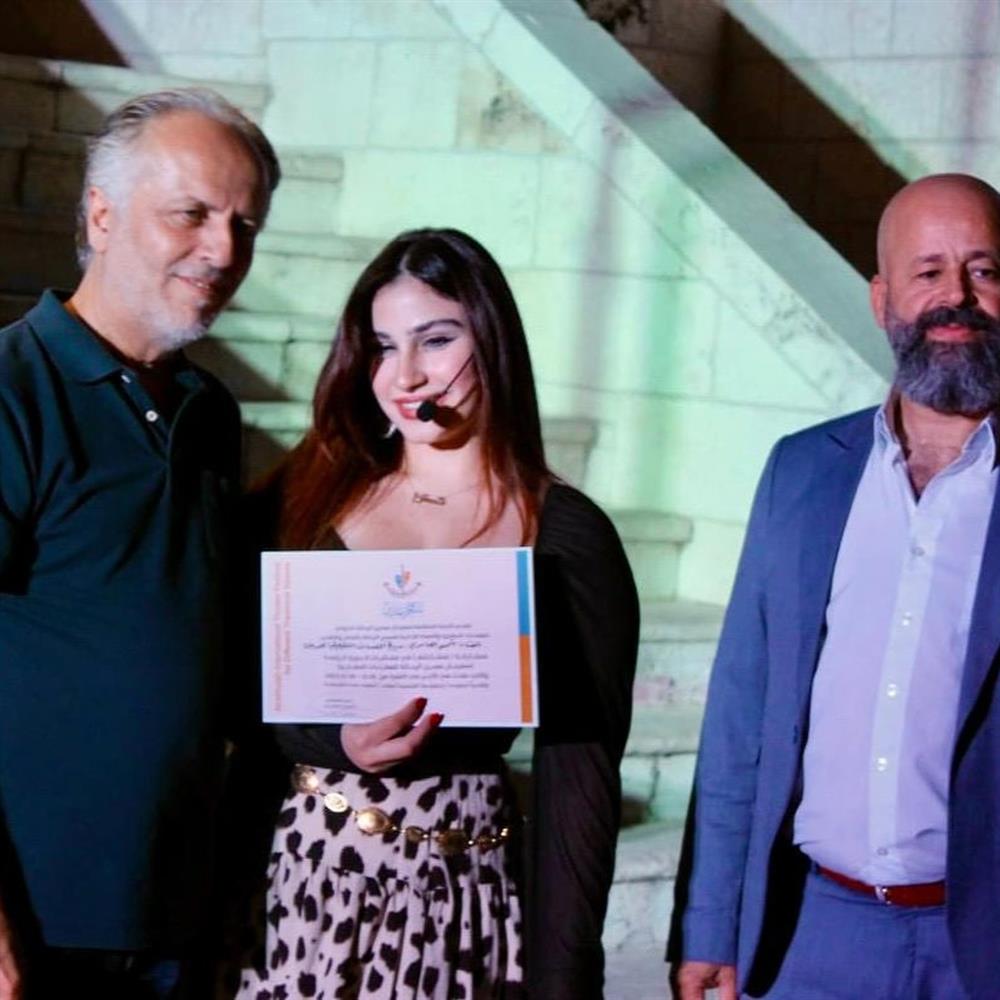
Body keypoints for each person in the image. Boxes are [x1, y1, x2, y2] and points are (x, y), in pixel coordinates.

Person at [223, 228, 639, 999]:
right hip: (297, 888)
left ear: (493, 341)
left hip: (460, 899)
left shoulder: (565, 535)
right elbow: (231, 701)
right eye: (383, 347)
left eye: (437, 340)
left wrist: (565, 982)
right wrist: (334, 739)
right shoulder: (300, 500)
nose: (406, 374)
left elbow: (580, 780)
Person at [668, 172, 1000, 999]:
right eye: (928, 272)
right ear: (882, 300)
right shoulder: (802, 473)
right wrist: (711, 923)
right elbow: (741, 718)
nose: (956, 298)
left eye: (984, 271)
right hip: (813, 938)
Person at [0, 89, 279, 998]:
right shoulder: (10, 389)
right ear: (102, 214)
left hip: (172, 914)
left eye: (244, 225)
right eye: (191, 214)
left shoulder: (211, 409)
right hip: (34, 923)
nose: (224, 251)